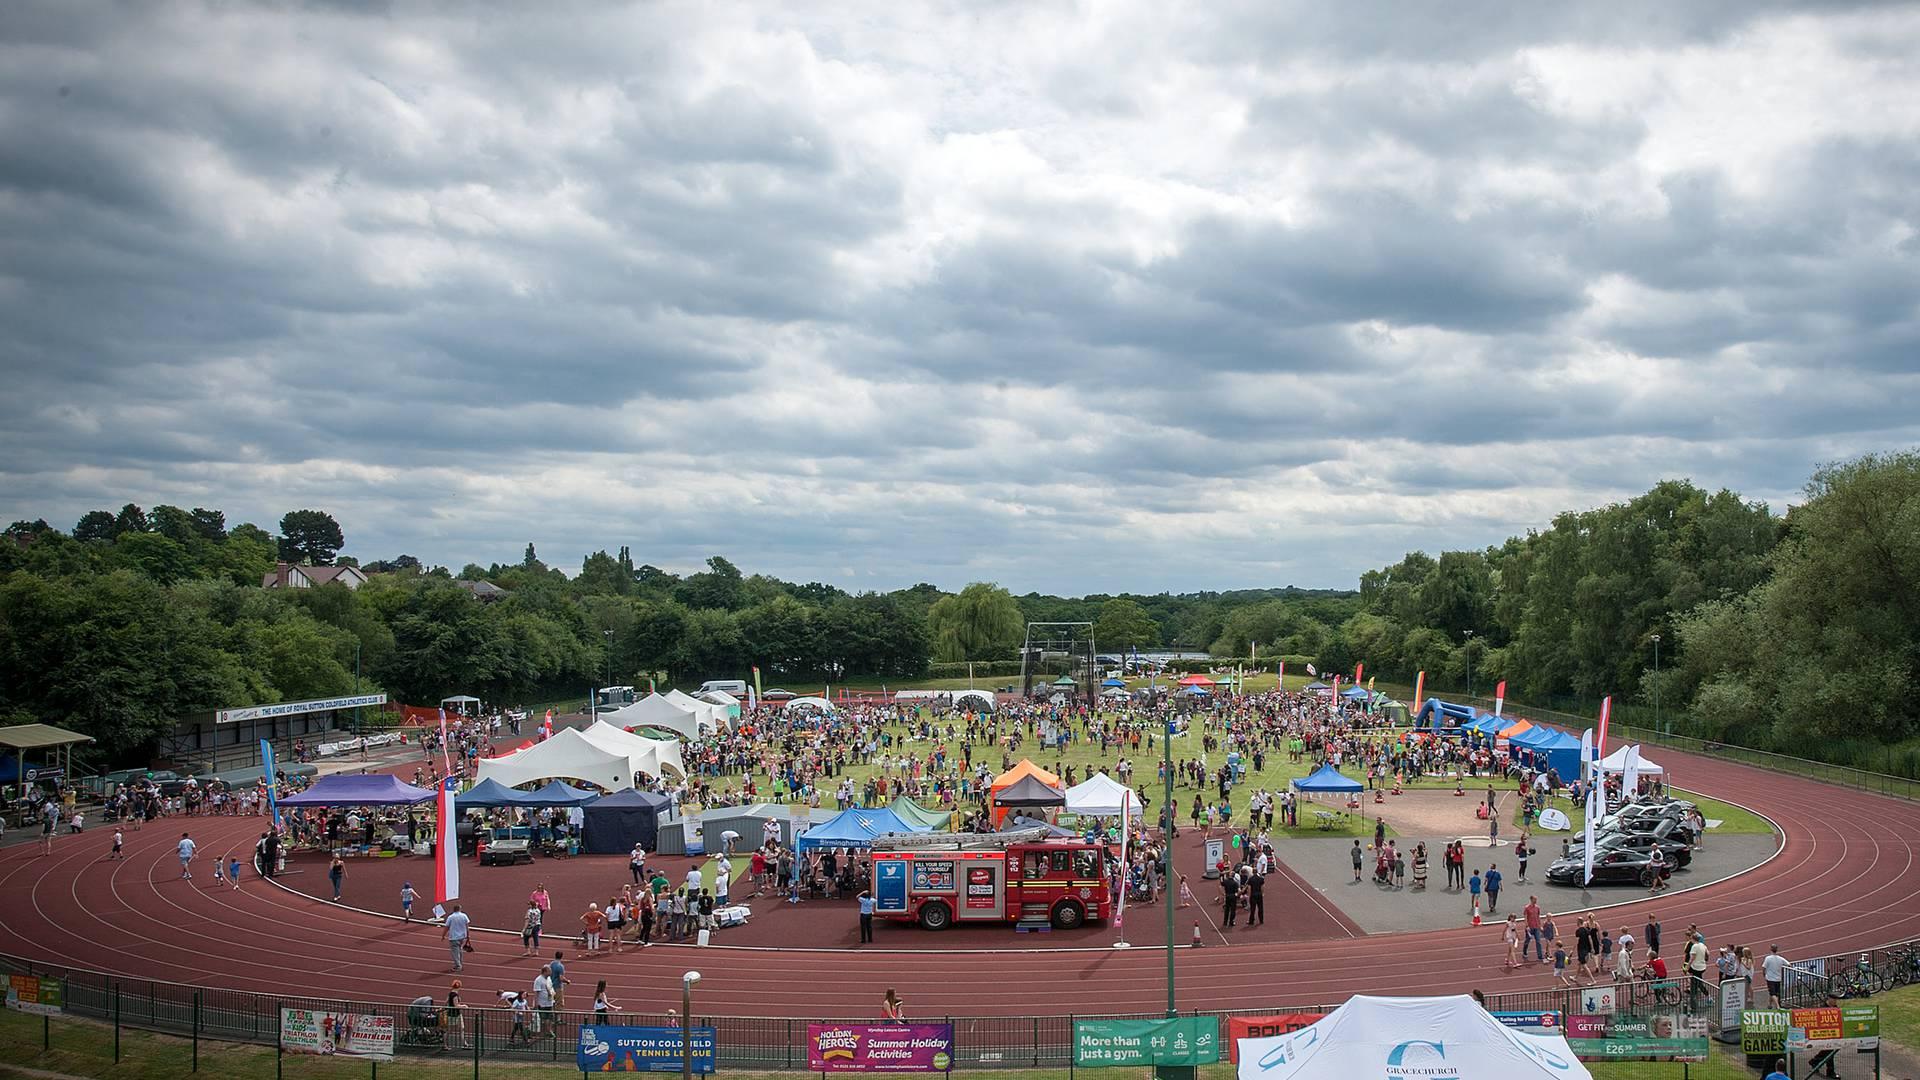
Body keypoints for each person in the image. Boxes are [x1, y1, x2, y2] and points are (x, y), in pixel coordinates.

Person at [443, 904, 470, 971]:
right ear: (460, 909)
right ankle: (460, 964)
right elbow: (467, 926)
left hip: (454, 937)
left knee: (455, 952)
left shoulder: (451, 917)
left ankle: (458, 966)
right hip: (462, 937)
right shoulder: (464, 916)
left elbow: (447, 927)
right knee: (460, 950)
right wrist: (468, 935)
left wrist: (443, 935)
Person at [444, 980, 466, 1049]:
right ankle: (445, 1045)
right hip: (453, 1014)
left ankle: (464, 1043)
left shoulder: (450, 993)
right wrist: (464, 1006)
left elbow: (446, 1002)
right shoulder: (455, 995)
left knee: (461, 1028)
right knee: (449, 1030)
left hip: (454, 1014)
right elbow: (456, 1006)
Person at [1523, 897, 1545, 963]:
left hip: (1536, 927)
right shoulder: (1527, 908)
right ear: (1531, 900)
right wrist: (1527, 926)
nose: (1536, 901)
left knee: (1538, 941)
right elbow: (1525, 917)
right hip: (1530, 927)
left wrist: (1540, 926)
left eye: (1536, 899)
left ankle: (1540, 956)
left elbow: (1538, 917)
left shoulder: (1537, 908)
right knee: (1527, 941)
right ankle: (1524, 952)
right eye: (1534, 899)